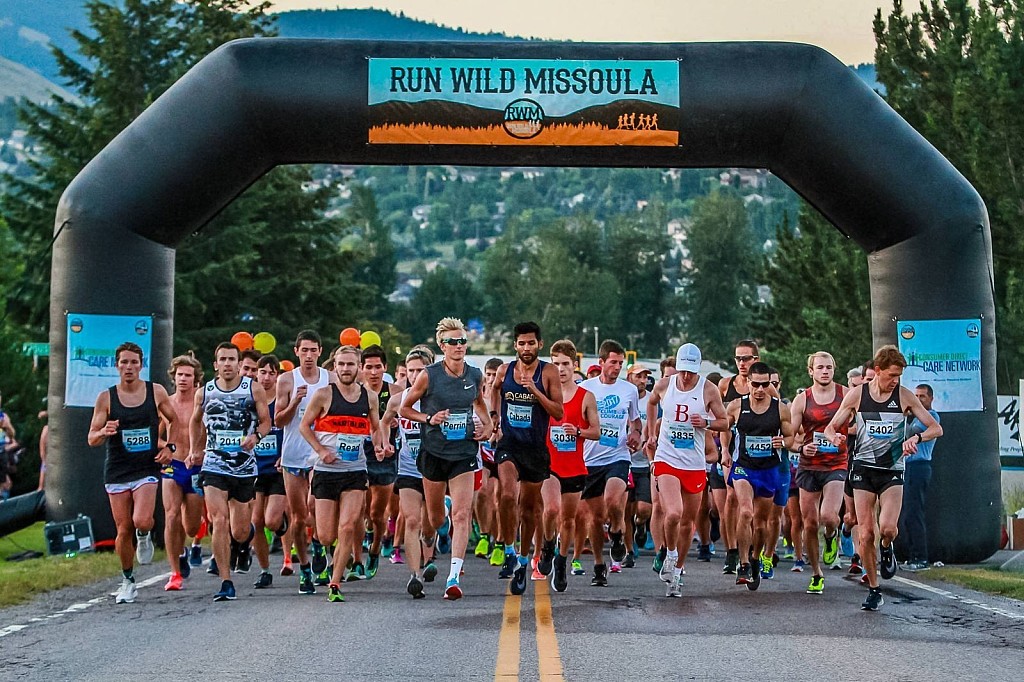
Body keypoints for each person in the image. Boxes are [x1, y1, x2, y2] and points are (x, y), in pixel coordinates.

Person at [824, 345, 942, 611]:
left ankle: (887, 547)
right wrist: (834, 437)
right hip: (864, 469)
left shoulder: (904, 396)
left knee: (887, 528)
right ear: (877, 371)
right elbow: (831, 427)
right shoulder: (858, 395)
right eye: (891, 375)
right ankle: (874, 589)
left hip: (891, 470)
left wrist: (916, 438)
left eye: (899, 376)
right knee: (866, 534)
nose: (895, 381)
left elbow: (936, 428)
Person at [401, 317, 493, 600]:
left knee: (463, 514)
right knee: (435, 518)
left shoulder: (474, 375)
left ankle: (453, 577)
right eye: (453, 342)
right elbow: (405, 409)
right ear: (442, 346)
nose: (459, 346)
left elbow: (479, 402)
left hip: (464, 452)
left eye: (463, 341)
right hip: (434, 453)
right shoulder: (429, 375)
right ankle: (434, 533)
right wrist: (430, 418)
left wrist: (488, 425)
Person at [87, 342, 177, 604]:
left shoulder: (155, 391)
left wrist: (169, 447)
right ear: (117, 365)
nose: (129, 367)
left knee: (141, 520)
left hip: (146, 467)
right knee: (123, 529)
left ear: (141, 365)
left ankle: (144, 533)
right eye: (124, 362)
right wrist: (104, 431)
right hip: (117, 469)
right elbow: (91, 438)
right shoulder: (106, 398)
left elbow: (174, 420)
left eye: (134, 362)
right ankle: (128, 580)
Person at [188, 342, 272, 602]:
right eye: (222, 359)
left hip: (244, 466)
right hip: (214, 463)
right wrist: (194, 449)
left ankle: (244, 542)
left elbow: (266, 421)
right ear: (215, 365)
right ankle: (226, 581)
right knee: (219, 520)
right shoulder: (205, 392)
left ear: (238, 364)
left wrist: (256, 437)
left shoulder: (253, 389)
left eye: (231, 359)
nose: (227, 363)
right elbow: (195, 421)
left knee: (239, 531)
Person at [300, 345, 384, 603]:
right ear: (334, 367)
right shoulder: (324, 395)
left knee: (348, 526)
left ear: (359, 367)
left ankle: (335, 583)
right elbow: (304, 426)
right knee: (327, 535)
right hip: (326, 471)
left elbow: (376, 427)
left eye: (350, 364)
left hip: (354, 471)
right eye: (341, 364)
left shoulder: (369, 397)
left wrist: (380, 445)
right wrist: (321, 451)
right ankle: (327, 549)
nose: (346, 369)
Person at [646, 343, 728, 597]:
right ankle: (670, 553)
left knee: (687, 522)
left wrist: (706, 422)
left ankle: (677, 572)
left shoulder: (708, 389)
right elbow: (651, 402)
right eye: (682, 370)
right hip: (667, 458)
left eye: (690, 371)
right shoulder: (665, 385)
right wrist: (651, 432)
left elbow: (725, 422)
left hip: (693, 463)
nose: (685, 376)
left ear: (697, 369)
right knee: (673, 513)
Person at [491, 321, 563, 595]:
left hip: (535, 448)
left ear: (539, 344)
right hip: (510, 443)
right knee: (508, 495)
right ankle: (508, 549)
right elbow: (494, 389)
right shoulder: (505, 370)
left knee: (529, 509)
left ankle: (523, 560)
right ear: (515, 346)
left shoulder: (549, 372)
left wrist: (534, 390)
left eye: (531, 343)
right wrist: (495, 417)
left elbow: (558, 412)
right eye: (521, 343)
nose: (526, 348)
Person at [721, 361, 795, 590]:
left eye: (765, 385)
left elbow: (791, 437)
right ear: (748, 383)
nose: (760, 389)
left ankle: (755, 559)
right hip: (744, 467)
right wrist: (724, 451)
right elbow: (724, 427)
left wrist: (783, 442)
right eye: (756, 384)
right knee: (745, 512)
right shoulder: (736, 405)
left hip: (769, 470)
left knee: (761, 524)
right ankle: (743, 563)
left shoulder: (780, 409)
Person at [579, 339, 642, 587]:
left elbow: (635, 421)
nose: (617, 367)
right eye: (613, 362)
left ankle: (616, 530)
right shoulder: (585, 388)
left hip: (618, 456)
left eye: (620, 363)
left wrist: (636, 433)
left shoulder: (629, 390)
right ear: (602, 362)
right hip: (590, 458)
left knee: (613, 501)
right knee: (594, 519)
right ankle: (598, 564)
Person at [275, 330, 333, 594]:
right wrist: (294, 402)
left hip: (319, 455)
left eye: (313, 350)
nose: (309, 355)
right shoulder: (287, 380)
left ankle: (319, 545)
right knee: (299, 518)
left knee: (315, 508)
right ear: (296, 352)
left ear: (320, 351)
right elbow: (278, 421)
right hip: (293, 455)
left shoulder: (329, 379)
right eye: (304, 350)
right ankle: (306, 569)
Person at [789, 351, 849, 594]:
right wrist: (802, 447)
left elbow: (861, 423)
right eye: (820, 367)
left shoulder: (846, 395)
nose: (825, 371)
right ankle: (816, 573)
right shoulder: (802, 400)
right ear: (810, 371)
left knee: (828, 516)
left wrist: (844, 435)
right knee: (810, 523)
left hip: (836, 464)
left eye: (829, 367)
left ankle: (832, 535)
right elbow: (790, 438)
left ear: (834, 370)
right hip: (809, 466)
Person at [380, 347, 437, 598]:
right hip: (407, 468)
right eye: (410, 371)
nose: (414, 375)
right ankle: (415, 575)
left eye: (419, 370)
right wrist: (385, 443)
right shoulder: (398, 399)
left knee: (431, 522)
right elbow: (383, 422)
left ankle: (430, 542)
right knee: (411, 520)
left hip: (434, 469)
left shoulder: (438, 398)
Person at [543, 339, 600, 592]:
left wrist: (578, 431)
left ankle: (561, 560)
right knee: (551, 510)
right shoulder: (544, 395)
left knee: (568, 520)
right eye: (556, 364)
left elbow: (596, 432)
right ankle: (547, 545)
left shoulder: (586, 397)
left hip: (575, 467)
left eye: (565, 364)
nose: (561, 369)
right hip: (549, 465)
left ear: (574, 365)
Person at [161, 353, 206, 591]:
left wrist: (202, 452)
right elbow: (155, 434)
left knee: (191, 526)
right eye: (180, 375)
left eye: (188, 375)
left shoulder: (203, 404)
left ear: (195, 379)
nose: (183, 379)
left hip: (196, 466)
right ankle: (175, 572)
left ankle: (185, 547)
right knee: (171, 515)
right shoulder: (166, 404)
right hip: (173, 465)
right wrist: (165, 448)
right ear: (174, 377)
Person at [716, 339, 760, 575]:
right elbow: (722, 421)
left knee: (752, 504)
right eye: (738, 359)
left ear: (756, 360)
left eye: (746, 358)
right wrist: (724, 450)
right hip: (731, 448)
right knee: (731, 497)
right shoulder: (726, 385)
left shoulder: (763, 385)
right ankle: (732, 550)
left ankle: (749, 545)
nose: (741, 363)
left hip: (756, 452)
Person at [360, 344, 398, 579]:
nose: (373, 372)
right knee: (360, 510)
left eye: (377, 367)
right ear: (362, 369)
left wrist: (397, 421)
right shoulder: (354, 392)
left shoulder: (395, 391)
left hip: (386, 455)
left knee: (376, 512)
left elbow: (408, 416)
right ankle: (356, 558)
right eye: (369, 367)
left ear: (385, 368)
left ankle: (375, 549)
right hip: (359, 454)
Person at [252, 354, 288, 588]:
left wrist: (285, 455)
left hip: (276, 468)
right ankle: (265, 570)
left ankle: (282, 523)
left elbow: (292, 430)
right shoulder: (250, 400)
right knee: (256, 522)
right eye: (262, 372)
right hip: (254, 468)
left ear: (277, 376)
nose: (266, 377)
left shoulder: (281, 401)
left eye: (271, 373)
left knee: (272, 521)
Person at [899, 383, 940, 571]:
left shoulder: (931, 417)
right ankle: (912, 555)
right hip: (908, 466)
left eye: (922, 396)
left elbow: (915, 433)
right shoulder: (914, 418)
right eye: (915, 396)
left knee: (914, 512)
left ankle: (921, 557)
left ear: (931, 398)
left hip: (919, 466)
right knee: (908, 513)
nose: (918, 399)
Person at [625, 362, 654, 569]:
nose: (643, 380)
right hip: (624, 461)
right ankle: (628, 550)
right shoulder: (622, 396)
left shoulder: (652, 400)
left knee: (643, 509)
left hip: (644, 462)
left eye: (645, 377)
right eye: (638, 376)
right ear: (629, 378)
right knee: (624, 511)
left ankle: (640, 525)